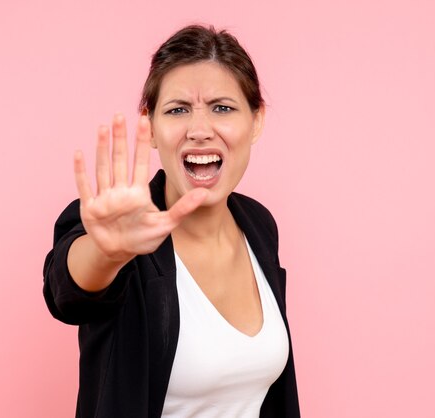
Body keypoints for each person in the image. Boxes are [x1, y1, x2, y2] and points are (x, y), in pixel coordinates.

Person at [43, 24, 300, 418]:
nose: (199, 130)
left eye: (223, 108)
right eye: (177, 110)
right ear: (149, 127)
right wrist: (108, 253)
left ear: (256, 120)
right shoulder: (127, 228)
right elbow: (69, 290)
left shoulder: (259, 225)